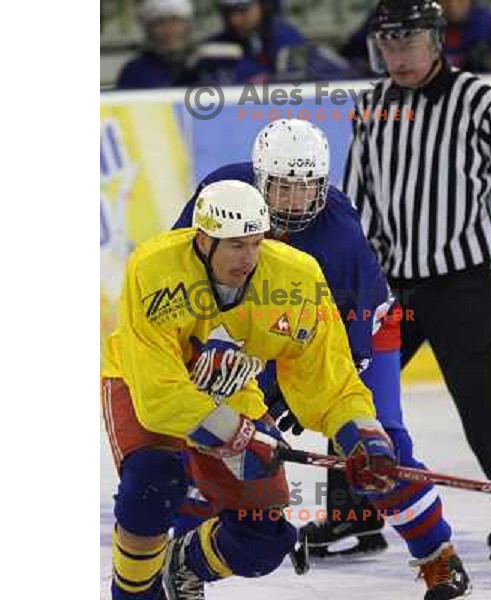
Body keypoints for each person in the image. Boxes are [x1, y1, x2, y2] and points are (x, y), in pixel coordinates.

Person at [173, 119, 471, 599]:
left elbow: (350, 338)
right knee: (207, 437)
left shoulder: (340, 237)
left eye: (307, 188)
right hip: (256, 335)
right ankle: (181, 558)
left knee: (381, 449)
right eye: (283, 189)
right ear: (258, 179)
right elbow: (179, 273)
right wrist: (211, 345)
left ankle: (438, 556)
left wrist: (323, 399)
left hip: (352, 333)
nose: (295, 203)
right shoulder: (221, 194)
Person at [101, 179, 400, 599]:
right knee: (153, 483)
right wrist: (239, 434)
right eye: (236, 245)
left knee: (264, 539)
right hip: (141, 382)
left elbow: (330, 379)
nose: (249, 258)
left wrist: (362, 436)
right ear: (203, 241)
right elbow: (159, 397)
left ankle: (183, 562)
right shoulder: (153, 269)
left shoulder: (296, 278)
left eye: (257, 243)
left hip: (229, 392)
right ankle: (134, 594)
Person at [342, 0, 491, 563]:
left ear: (435, 42)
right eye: (387, 43)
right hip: (392, 290)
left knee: (489, 407)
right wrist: (354, 282)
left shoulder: (480, 101)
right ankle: (352, 517)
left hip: (465, 286)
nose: (397, 55)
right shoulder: (370, 106)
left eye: (407, 42)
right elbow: (356, 200)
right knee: (350, 395)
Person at [116, 0, 197, 89]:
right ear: (148, 31)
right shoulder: (134, 72)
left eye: (175, 21)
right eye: (161, 23)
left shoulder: (204, 66)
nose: (169, 31)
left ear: (188, 27)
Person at [440, 0, 491, 72]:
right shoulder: (429, 25)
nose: (453, 5)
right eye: (446, 1)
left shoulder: (486, 24)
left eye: (460, 1)